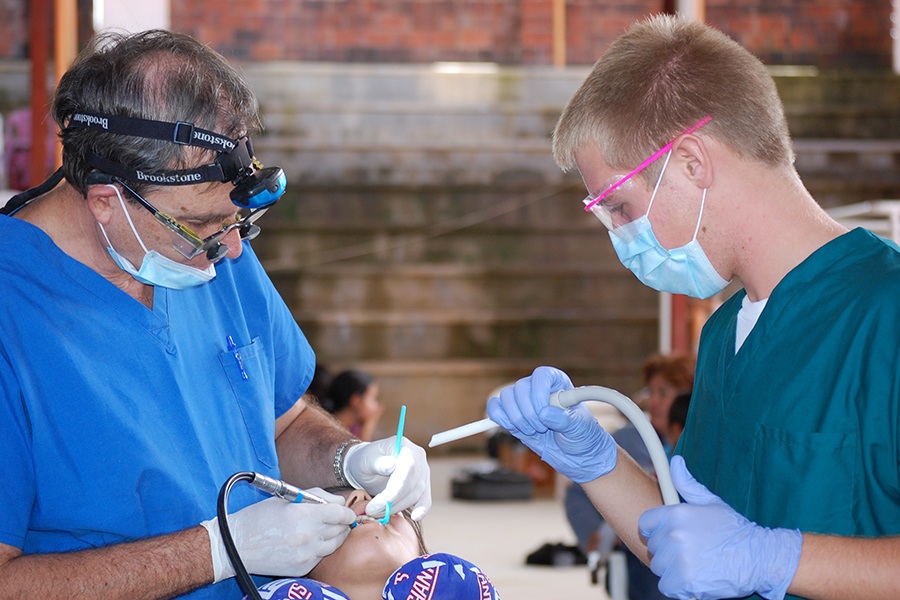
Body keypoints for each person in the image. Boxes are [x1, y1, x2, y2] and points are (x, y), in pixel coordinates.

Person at [0, 29, 431, 599]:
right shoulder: (16, 316)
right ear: (107, 201)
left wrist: (347, 459)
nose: (231, 250)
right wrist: (215, 551)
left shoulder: (212, 252)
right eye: (203, 226)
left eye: (238, 223)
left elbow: (282, 421)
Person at [487, 13, 900, 600]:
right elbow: (691, 545)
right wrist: (595, 460)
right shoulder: (726, 333)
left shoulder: (885, 313)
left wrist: (775, 558)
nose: (620, 236)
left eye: (619, 207)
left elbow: (744, 555)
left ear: (691, 162)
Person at [564, 353, 694, 600]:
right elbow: (576, 494)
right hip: (637, 559)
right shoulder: (626, 441)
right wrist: (595, 533)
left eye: (663, 393)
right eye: (651, 392)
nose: (653, 402)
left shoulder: (705, 443)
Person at [320, 369, 385, 441]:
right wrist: (368, 427)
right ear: (356, 401)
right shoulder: (329, 432)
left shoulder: (355, 428)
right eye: (373, 398)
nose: (378, 406)